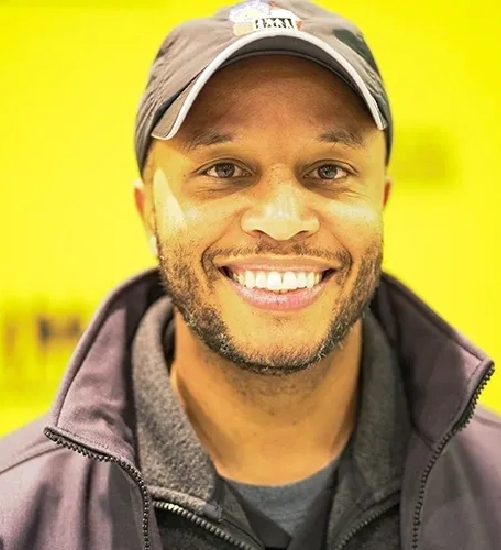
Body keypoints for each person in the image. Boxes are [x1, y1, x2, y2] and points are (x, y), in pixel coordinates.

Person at [0, 0, 500, 549]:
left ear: (380, 202)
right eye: (224, 170)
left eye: (329, 170)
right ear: (149, 214)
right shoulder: (17, 513)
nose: (283, 223)